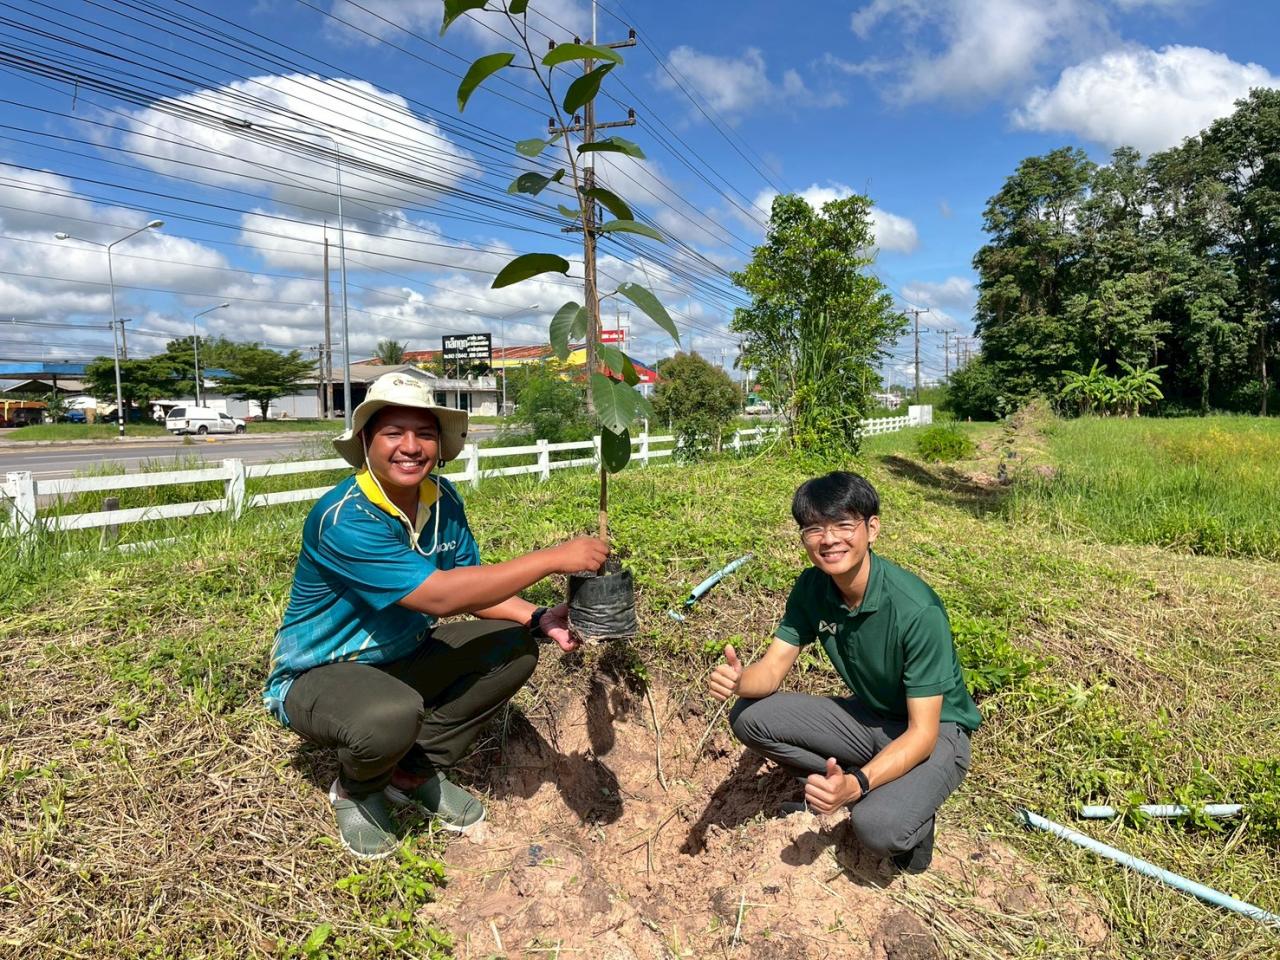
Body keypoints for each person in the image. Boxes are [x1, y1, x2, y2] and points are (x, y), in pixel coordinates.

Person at [264, 372, 608, 858]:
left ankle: (411, 771)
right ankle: (358, 788)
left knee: (512, 648)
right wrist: (553, 558)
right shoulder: (345, 518)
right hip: (320, 674)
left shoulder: (442, 499)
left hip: (403, 655)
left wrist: (535, 617)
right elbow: (440, 598)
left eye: (424, 434)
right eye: (393, 433)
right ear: (366, 442)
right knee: (391, 714)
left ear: (440, 445)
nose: (410, 447)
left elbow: (468, 585)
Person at [708, 471, 980, 873]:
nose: (829, 539)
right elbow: (772, 669)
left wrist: (857, 786)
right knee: (750, 716)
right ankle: (837, 786)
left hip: (936, 730)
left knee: (877, 827)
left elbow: (922, 733)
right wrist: (740, 680)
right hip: (870, 718)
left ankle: (904, 810)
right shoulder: (813, 588)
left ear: (872, 529)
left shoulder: (915, 609)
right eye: (814, 529)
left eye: (843, 525)